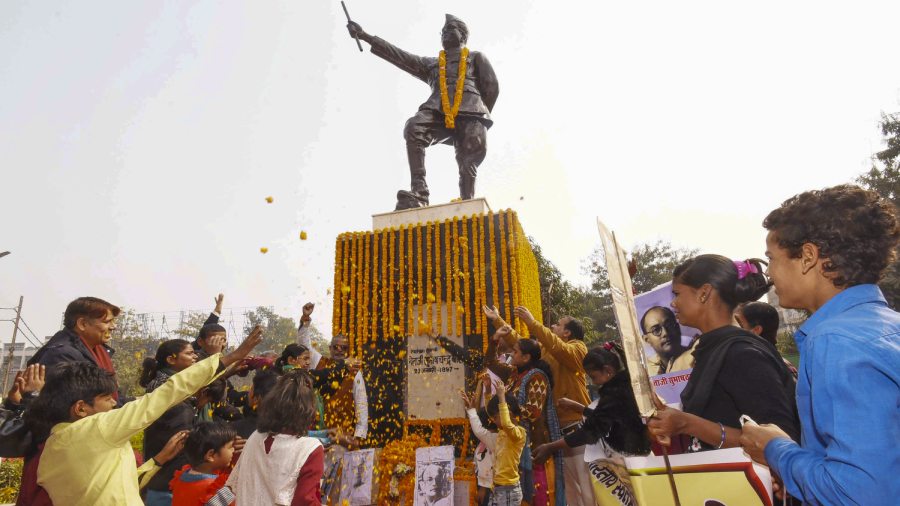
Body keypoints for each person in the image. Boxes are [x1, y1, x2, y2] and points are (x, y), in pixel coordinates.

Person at [740, 184, 900, 505]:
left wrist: (776, 450)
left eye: (772, 259)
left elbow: (859, 493)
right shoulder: (885, 325)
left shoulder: (836, 340)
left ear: (808, 258)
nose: (769, 272)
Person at [32, 325, 262, 506]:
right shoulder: (99, 428)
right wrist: (227, 358)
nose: (115, 402)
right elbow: (167, 393)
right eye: (106, 398)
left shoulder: (51, 449)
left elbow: (113, 485)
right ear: (81, 408)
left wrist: (156, 461)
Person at [646, 255, 798, 454]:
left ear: (704, 293)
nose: (673, 304)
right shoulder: (712, 349)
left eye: (677, 294)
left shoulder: (742, 355)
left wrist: (686, 424)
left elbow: (780, 442)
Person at [345, 15, 499, 209]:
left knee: (467, 161)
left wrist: (479, 115)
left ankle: (467, 204)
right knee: (414, 127)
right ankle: (419, 192)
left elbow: (491, 86)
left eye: (449, 29)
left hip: (472, 113)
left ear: (462, 35)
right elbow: (401, 57)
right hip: (438, 111)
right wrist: (365, 36)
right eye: (442, 32)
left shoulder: (476, 57)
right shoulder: (432, 64)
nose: (444, 33)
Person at [486, 305, 592, 506]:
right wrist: (497, 321)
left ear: (567, 333)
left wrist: (533, 323)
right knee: (570, 491)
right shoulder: (544, 351)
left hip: (578, 428)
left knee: (587, 489)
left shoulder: (578, 348)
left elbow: (558, 348)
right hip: (557, 433)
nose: (553, 326)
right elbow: (521, 345)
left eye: (558, 325)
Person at [533, 343, 651, 506]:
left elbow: (590, 431)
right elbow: (610, 416)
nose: (593, 383)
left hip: (633, 457)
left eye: (594, 377)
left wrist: (551, 446)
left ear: (608, 370)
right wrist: (580, 408)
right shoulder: (626, 383)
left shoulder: (615, 392)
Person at [485, 326, 564, 506]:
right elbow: (490, 362)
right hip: (513, 444)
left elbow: (533, 412)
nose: (512, 354)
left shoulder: (537, 377)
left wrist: (506, 406)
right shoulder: (513, 373)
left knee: (536, 495)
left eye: (515, 351)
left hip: (533, 447)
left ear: (526, 357)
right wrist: (495, 338)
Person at [296, 302, 367, 502]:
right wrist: (305, 320)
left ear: (348, 350)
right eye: (335, 347)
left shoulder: (355, 371)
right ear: (330, 348)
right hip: (315, 434)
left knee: (337, 483)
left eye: (343, 348)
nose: (339, 350)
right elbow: (305, 344)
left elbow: (362, 405)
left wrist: (358, 437)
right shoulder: (321, 363)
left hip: (341, 437)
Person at [226, 369, 325, 505]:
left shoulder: (255, 437)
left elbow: (231, 488)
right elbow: (304, 500)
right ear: (308, 412)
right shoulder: (310, 448)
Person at [140, 338, 202, 506]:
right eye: (189, 353)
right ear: (171, 360)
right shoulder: (165, 386)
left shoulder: (175, 383)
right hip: (166, 472)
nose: (194, 357)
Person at [28, 297, 122, 400]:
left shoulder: (99, 351)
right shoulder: (62, 355)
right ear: (82, 324)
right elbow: (86, 404)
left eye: (113, 322)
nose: (113, 327)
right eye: (107, 322)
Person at [170, 422, 237, 506]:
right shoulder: (217, 491)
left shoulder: (180, 478)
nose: (233, 450)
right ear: (210, 455)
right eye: (230, 447)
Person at [734, 301, 798, 378]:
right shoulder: (781, 364)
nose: (734, 329)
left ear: (756, 330)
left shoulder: (756, 367)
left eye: (740, 324)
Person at [487, 381, 526, 506]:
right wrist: (488, 391)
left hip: (508, 490)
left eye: (495, 417)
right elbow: (501, 421)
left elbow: (506, 424)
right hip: (497, 488)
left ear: (508, 413)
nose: (492, 420)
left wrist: (502, 398)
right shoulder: (502, 432)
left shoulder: (519, 433)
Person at [461, 382, 498, 506]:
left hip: (489, 490)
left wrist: (482, 488)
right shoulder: (487, 440)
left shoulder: (492, 439)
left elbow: (487, 466)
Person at [640, 306, 694, 374]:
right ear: (647, 340)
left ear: (677, 328)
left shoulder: (695, 357)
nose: (665, 333)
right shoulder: (647, 370)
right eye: (656, 330)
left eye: (669, 325)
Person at [230, 370, 279, 440]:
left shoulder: (234, 431)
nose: (248, 392)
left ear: (256, 399)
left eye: (251, 389)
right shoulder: (288, 429)